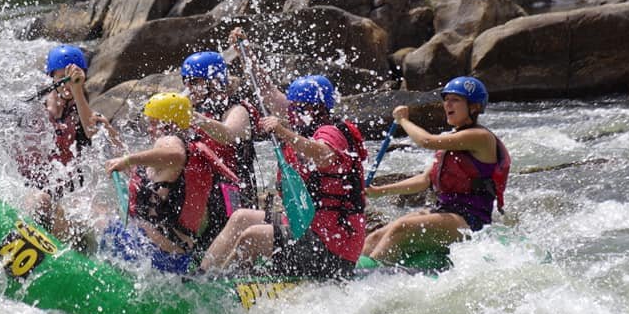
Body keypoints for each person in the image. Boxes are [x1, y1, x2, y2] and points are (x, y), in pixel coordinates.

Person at [199, 71, 369, 280]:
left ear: (314, 108)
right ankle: (203, 276)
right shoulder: (304, 125)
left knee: (251, 237)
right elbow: (268, 92)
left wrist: (282, 131)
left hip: (332, 244)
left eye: (296, 108)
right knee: (241, 217)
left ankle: (235, 285)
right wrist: (246, 53)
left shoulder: (332, 131)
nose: (290, 113)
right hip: (306, 223)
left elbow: (322, 153)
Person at [361, 76, 511, 265]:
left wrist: (403, 121)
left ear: (474, 107)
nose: (448, 104)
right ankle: (357, 269)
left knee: (401, 227)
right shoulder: (452, 140)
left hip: (471, 220)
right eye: (446, 99)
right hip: (444, 211)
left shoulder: (481, 137)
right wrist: (379, 191)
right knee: (374, 237)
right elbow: (424, 180)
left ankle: (371, 275)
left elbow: (427, 141)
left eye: (455, 100)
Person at [103, 92, 240, 274]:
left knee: (98, 218)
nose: (150, 129)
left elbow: (175, 154)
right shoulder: (185, 149)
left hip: (153, 253)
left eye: (153, 122)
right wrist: (110, 133)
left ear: (168, 123)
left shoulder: (171, 141)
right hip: (174, 258)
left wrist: (128, 159)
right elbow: (139, 175)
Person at [17, 44, 100, 240]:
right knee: (42, 201)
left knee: (91, 219)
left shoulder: (82, 110)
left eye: (71, 78)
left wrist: (77, 90)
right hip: (30, 187)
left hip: (67, 191)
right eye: (62, 78)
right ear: (52, 77)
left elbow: (92, 132)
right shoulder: (33, 108)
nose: (66, 85)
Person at [182, 50, 260, 246]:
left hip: (231, 191)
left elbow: (229, 134)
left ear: (214, 82)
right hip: (202, 189)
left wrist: (196, 119)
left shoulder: (236, 109)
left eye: (194, 82)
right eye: (186, 81)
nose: (188, 87)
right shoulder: (198, 109)